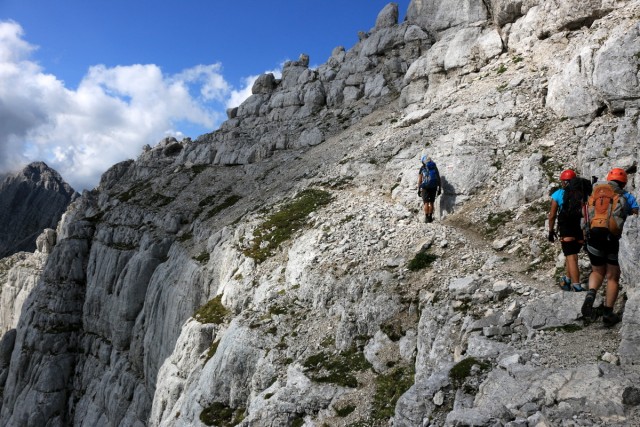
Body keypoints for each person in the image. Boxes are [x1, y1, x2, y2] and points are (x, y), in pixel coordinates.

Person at [581, 167, 639, 326]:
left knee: (597, 271)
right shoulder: (626, 196)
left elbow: (586, 214)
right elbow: (635, 215)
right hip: (613, 239)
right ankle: (608, 313)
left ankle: (591, 293)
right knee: (612, 276)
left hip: (593, 237)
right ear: (624, 182)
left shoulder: (596, 194)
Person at [547, 169, 589, 291]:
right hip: (580, 228)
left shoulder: (558, 194)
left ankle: (576, 285)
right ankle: (567, 279)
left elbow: (552, 215)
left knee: (572, 257)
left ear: (564, 182)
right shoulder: (582, 193)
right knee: (570, 255)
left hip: (566, 228)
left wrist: (551, 231)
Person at [417, 156, 441, 223]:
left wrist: (419, 189)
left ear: (423, 161)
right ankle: (430, 217)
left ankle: (426, 217)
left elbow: (420, 180)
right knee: (431, 202)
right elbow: (438, 178)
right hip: (434, 186)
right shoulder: (434, 167)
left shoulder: (422, 168)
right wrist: (439, 188)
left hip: (425, 187)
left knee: (426, 203)